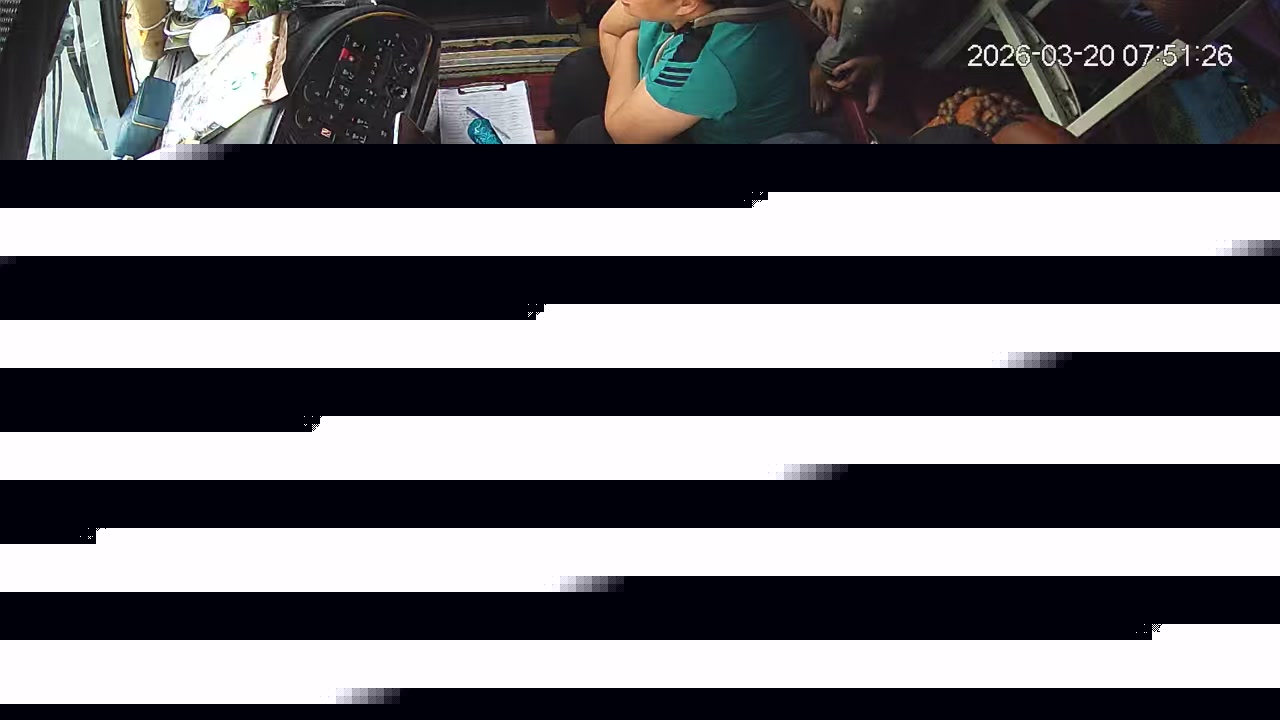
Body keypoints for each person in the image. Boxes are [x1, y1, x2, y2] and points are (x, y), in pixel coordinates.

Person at [544, 0, 810, 144]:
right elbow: (610, 27)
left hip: (708, 137)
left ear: (686, 5)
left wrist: (628, 40)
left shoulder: (712, 57)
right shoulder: (691, 5)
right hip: (684, 103)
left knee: (592, 136)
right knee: (578, 71)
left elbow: (623, 134)